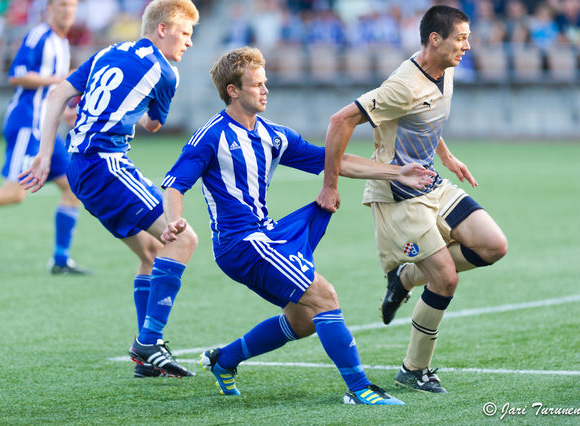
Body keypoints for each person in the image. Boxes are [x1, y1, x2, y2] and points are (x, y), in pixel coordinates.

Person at [160, 46, 436, 404]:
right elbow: (174, 183)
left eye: (265, 83)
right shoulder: (210, 136)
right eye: (257, 85)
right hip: (241, 243)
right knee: (325, 296)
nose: (265, 90)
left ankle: (224, 360)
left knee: (304, 318)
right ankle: (360, 389)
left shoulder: (274, 135)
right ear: (233, 91)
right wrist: (173, 220)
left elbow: (334, 161)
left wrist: (397, 171)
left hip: (266, 234)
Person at [317, 5, 508, 394]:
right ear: (434, 40)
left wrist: (448, 157)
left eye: (468, 37)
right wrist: (330, 185)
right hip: (398, 193)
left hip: (430, 181)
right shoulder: (402, 85)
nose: (467, 46)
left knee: (493, 245)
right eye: (461, 38)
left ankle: (404, 276)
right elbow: (340, 121)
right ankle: (414, 368)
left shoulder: (445, 69)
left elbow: (423, 116)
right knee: (446, 279)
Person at [18, 0, 200, 379]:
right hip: (106, 164)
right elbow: (152, 124)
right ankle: (149, 341)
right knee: (183, 239)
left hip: (77, 164)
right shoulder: (166, 72)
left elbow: (56, 96)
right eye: (185, 33)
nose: (189, 43)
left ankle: (144, 360)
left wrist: (43, 155)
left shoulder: (108, 52)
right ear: (162, 29)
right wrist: (144, 111)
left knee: (152, 252)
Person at [0, 0, 91, 276]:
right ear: (49, 8)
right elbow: (17, 75)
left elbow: (51, 92)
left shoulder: (63, 43)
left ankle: (60, 259)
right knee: (14, 194)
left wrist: (66, 114)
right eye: (62, 5)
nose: (67, 10)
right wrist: (60, 78)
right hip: (26, 125)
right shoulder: (39, 36)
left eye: (72, 5)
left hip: (46, 130)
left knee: (73, 188)